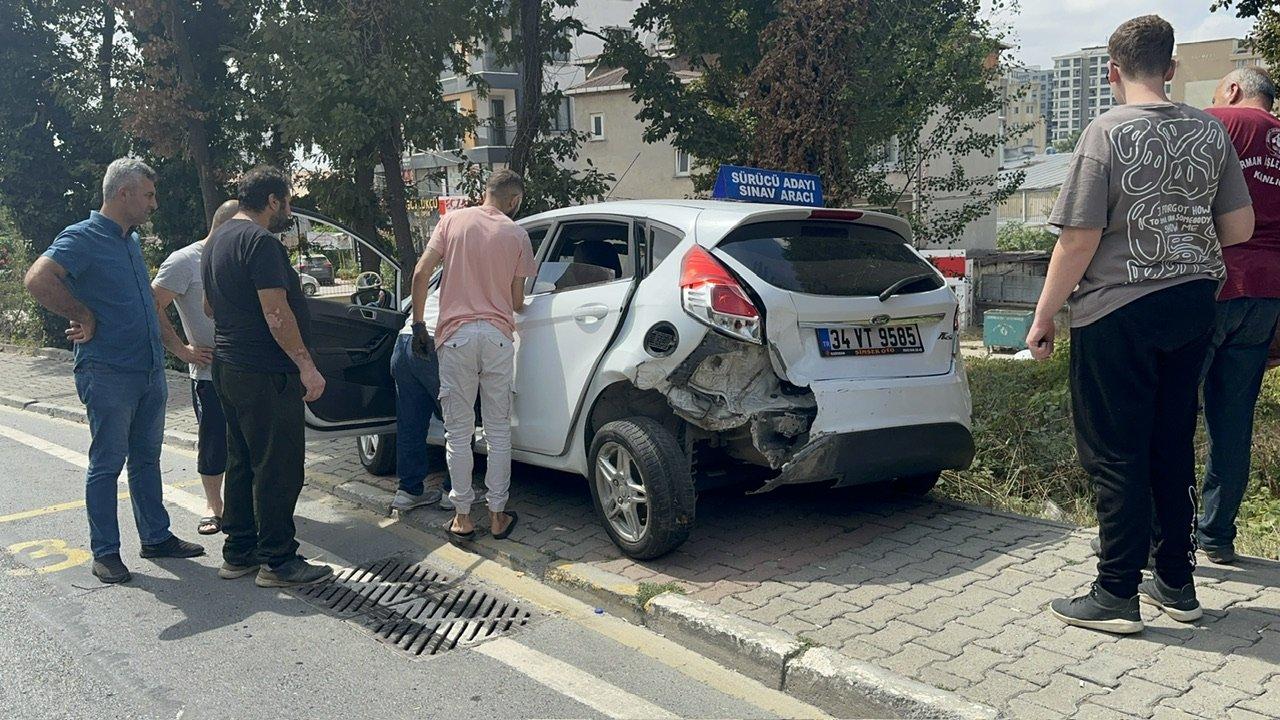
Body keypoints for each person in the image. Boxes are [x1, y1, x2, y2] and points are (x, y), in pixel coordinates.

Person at [1026, 15, 1254, 634]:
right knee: (1171, 441)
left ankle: (1116, 592)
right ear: (1173, 69)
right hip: (1193, 304)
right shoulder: (1210, 132)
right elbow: (1239, 230)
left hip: (1118, 308)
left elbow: (1078, 238)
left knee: (1114, 449)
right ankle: (1176, 583)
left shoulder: (1105, 131)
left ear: (1112, 72)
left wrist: (1045, 317)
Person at [23, 158, 205, 584]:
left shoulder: (130, 240)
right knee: (107, 463)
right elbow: (37, 278)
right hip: (106, 371)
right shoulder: (82, 237)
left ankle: (156, 538)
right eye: (148, 194)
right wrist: (80, 311)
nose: (153, 203)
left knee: (147, 459)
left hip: (148, 370)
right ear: (123, 194)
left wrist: (177, 348)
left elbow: (146, 300)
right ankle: (105, 551)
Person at [202, 166, 332, 588]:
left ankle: (239, 551)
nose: (288, 209)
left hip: (228, 367)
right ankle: (278, 562)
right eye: (287, 201)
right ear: (273, 200)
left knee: (242, 462)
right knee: (278, 467)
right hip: (264, 372)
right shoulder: (260, 242)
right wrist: (306, 365)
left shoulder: (217, 239)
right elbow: (276, 313)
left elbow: (208, 307)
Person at [410, 169, 537, 541]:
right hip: (497, 338)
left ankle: (462, 517)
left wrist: (419, 325)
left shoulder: (451, 221)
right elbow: (516, 301)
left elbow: (421, 272)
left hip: (456, 337)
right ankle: (498, 515)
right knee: (498, 433)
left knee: (458, 432)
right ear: (514, 201)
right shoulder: (517, 235)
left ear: (486, 192)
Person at [1196, 67, 1280, 564]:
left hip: (1215, 284)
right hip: (1269, 297)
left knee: (1171, 413)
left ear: (1231, 89)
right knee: (1233, 422)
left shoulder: (1218, 120)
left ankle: (1159, 535)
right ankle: (1218, 536)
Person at [153, 199, 240, 536]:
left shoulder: (240, 257)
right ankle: (213, 505)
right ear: (228, 226)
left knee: (246, 441)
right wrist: (181, 350)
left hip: (245, 369)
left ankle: (243, 505)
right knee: (214, 439)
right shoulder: (184, 261)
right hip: (208, 372)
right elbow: (152, 302)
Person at [388, 311, 451, 513]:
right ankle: (454, 491)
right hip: (433, 342)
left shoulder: (439, 286)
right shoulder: (470, 282)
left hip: (404, 341)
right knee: (458, 420)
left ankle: (408, 492)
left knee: (410, 425)